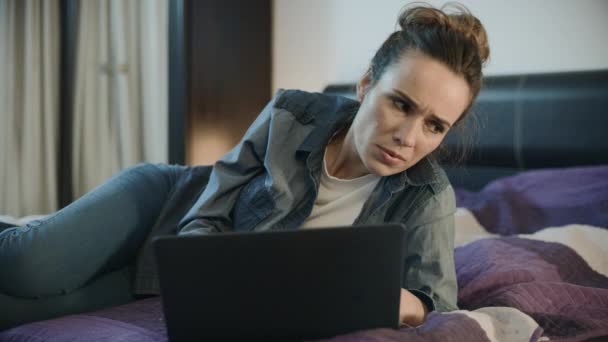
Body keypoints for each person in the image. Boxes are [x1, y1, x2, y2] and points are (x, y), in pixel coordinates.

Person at [0, 2, 489, 330]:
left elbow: (436, 305)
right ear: (365, 85)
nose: (408, 138)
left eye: (435, 126)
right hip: (163, 202)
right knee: (27, 267)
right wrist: (197, 271)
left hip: (176, 276)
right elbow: (210, 207)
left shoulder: (427, 195)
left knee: (17, 311)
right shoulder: (291, 114)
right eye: (400, 104)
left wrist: (357, 294)